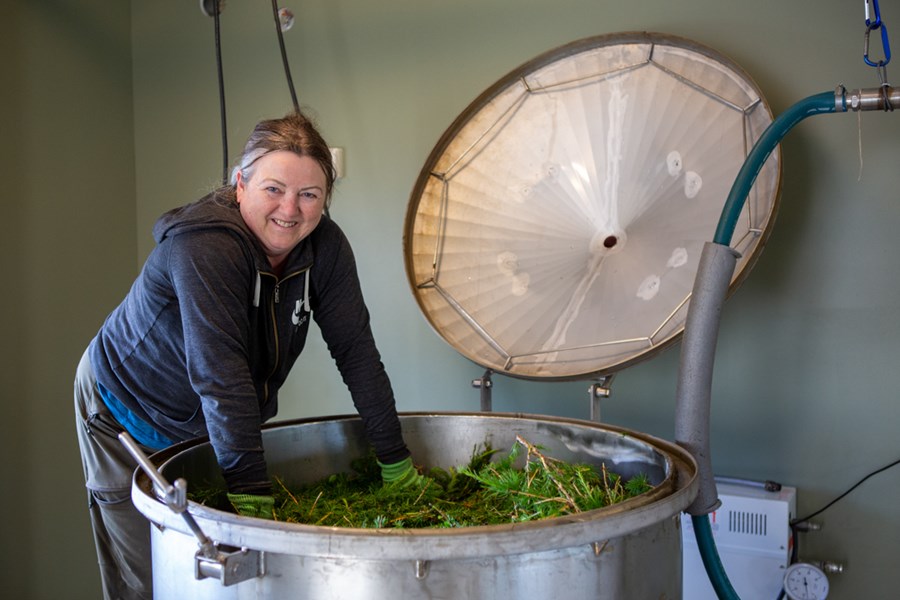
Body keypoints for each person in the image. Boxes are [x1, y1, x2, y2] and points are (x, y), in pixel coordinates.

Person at [74, 111, 421, 600]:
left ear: (325, 201)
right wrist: (254, 514)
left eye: (309, 195)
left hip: (214, 420)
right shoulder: (205, 247)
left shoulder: (326, 250)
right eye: (273, 189)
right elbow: (222, 377)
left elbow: (357, 353)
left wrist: (396, 462)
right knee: (151, 577)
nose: (290, 209)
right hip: (125, 414)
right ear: (240, 185)